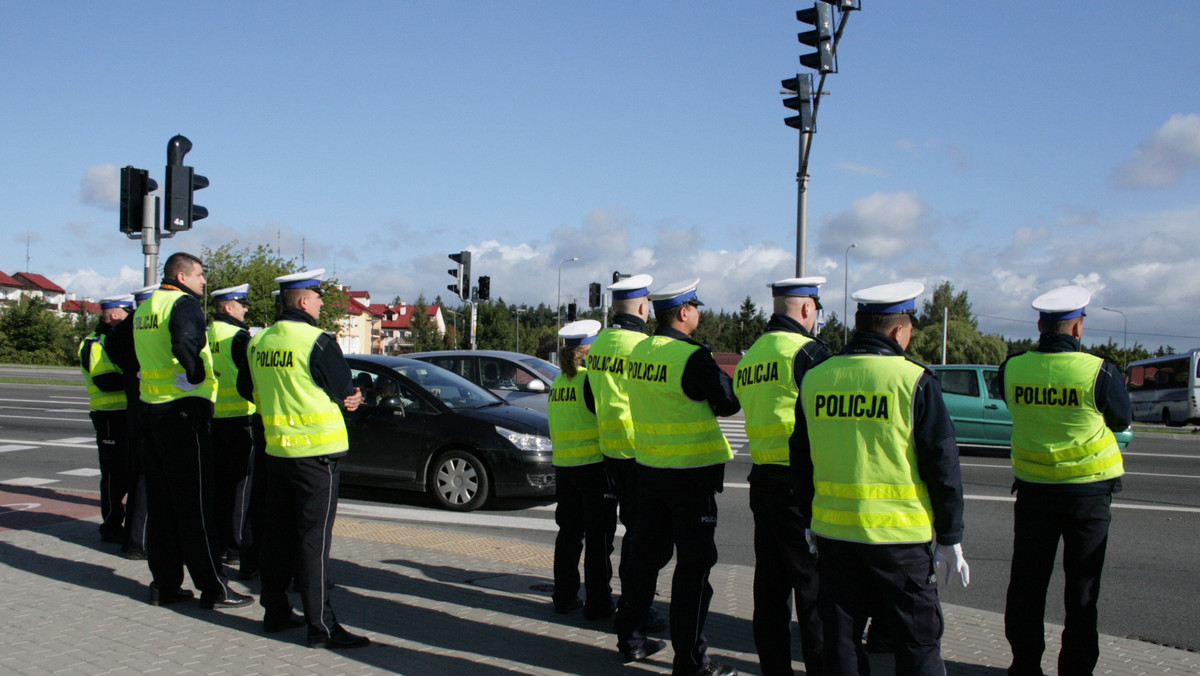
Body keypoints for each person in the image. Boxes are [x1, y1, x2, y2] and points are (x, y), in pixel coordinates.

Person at [790, 281, 969, 676]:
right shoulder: (913, 380)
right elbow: (942, 464)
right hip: (901, 540)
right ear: (898, 331)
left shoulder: (817, 378)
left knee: (842, 644)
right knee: (917, 644)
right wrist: (951, 536)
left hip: (835, 537)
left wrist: (809, 519)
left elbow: (800, 460)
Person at [1000, 285, 1131, 676]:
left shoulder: (1013, 367)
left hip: (1034, 491)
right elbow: (1121, 419)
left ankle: (1024, 665)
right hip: (1088, 495)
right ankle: (1075, 669)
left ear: (1041, 325)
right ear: (1077, 329)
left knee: (1027, 584)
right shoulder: (1099, 371)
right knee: (1081, 590)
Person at [614, 278, 741, 676]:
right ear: (684, 312)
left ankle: (630, 639)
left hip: (649, 472)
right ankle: (690, 661)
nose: (699, 313)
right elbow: (729, 402)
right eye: (697, 307)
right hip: (691, 478)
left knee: (644, 560)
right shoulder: (692, 357)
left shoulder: (640, 352)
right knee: (693, 570)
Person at [239, 268, 369, 649]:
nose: (322, 302)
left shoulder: (259, 341)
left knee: (276, 535)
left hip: (277, 450)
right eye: (317, 296)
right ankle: (321, 626)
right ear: (301, 300)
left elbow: (247, 387)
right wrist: (355, 396)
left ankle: (275, 611)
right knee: (313, 542)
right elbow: (345, 390)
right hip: (317, 456)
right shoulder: (319, 342)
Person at [132, 252, 252, 609]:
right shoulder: (183, 305)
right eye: (199, 275)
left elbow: (122, 349)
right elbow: (186, 341)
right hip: (183, 413)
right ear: (182, 277)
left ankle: (165, 585)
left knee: (163, 505)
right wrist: (195, 373)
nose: (203, 282)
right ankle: (214, 587)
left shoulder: (145, 307)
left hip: (151, 411)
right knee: (196, 505)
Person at [733, 277, 829, 676]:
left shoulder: (752, 355)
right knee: (813, 592)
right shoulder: (808, 352)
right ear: (807, 309)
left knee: (770, 590)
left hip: (764, 482)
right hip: (801, 485)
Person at [585, 272, 665, 629]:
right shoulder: (642, 346)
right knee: (642, 536)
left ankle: (625, 602)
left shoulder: (600, 343)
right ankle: (635, 608)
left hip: (609, 448)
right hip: (640, 451)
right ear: (644, 306)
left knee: (626, 531)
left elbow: (591, 399)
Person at [547, 319, 618, 618]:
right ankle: (599, 602)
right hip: (593, 468)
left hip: (565, 467)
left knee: (569, 535)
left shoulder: (559, 382)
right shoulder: (590, 381)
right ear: (589, 350)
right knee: (599, 539)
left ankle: (563, 596)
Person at [104, 284, 159, 559]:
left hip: (135, 411)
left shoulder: (126, 329)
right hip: (150, 409)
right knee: (147, 479)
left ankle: (134, 539)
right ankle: (140, 542)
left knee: (139, 475)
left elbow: (113, 345)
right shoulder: (148, 326)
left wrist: (132, 369)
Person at [206, 283, 258, 566]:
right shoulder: (238, 336)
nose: (246, 309)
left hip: (213, 419)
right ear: (228, 307)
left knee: (218, 485)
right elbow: (250, 378)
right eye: (242, 304)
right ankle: (237, 545)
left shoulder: (206, 333)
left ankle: (218, 542)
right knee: (242, 487)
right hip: (240, 419)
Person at [79, 295, 135, 546]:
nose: (130, 317)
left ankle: (129, 524)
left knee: (131, 471)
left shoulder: (118, 339)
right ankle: (111, 525)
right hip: (109, 415)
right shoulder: (95, 343)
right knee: (114, 475)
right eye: (126, 312)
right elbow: (104, 381)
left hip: (126, 412)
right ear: (113, 314)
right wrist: (136, 379)